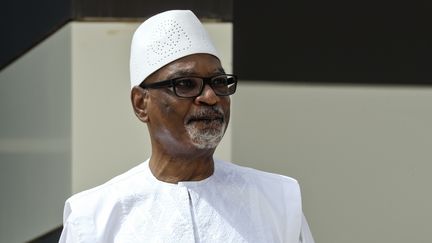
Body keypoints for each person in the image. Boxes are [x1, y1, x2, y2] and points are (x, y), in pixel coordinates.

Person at [59, 10, 315, 243]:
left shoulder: (278, 200)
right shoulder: (94, 218)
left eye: (218, 82)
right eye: (185, 84)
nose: (210, 97)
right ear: (141, 103)